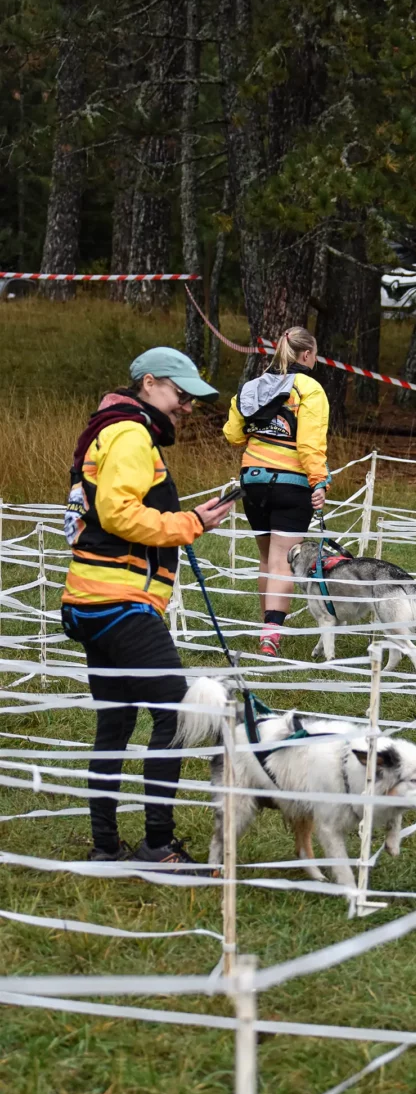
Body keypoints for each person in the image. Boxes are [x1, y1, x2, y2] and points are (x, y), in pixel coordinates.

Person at [61, 347, 234, 865]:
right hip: (122, 601)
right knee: (177, 715)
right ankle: (158, 846)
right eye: (181, 394)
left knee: (114, 724)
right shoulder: (132, 434)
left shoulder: (108, 429)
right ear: (150, 383)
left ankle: (105, 846)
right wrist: (190, 525)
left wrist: (186, 517)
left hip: (91, 598)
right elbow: (117, 513)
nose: (186, 406)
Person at [223, 326, 330, 658]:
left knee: (267, 558)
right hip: (291, 484)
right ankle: (271, 638)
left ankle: (265, 628)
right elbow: (310, 443)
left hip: (252, 481)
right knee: (283, 560)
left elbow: (232, 433)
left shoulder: (253, 386)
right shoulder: (309, 388)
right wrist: (319, 481)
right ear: (307, 354)